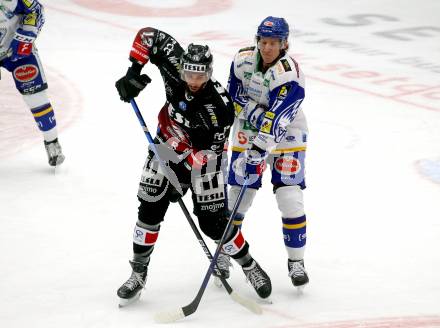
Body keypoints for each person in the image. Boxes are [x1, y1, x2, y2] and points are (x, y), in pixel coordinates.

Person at [114, 27, 272, 306]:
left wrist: (182, 178)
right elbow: (149, 36)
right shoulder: (176, 68)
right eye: (189, 74)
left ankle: (248, 264)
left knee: (213, 224)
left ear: (209, 73)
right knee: (150, 206)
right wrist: (133, 71)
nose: (193, 80)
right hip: (165, 148)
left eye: (200, 75)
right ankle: (138, 273)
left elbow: (207, 156)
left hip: (203, 160)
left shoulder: (220, 108)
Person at [226, 16, 309, 289]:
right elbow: (234, 96)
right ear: (257, 40)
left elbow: (278, 121)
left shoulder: (290, 73)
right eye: (264, 41)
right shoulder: (242, 60)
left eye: (274, 42)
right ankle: (224, 254)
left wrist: (260, 148)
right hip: (247, 131)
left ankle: (296, 261)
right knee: (239, 193)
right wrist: (257, 116)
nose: (268, 47)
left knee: (289, 196)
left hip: (288, 135)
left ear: (284, 43)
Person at [0, 0, 64, 166]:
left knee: (36, 97)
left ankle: (52, 142)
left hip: (16, 52)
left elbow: (36, 11)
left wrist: (25, 36)